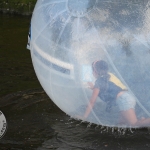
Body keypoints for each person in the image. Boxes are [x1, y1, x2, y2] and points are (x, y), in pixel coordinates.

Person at [81, 60, 150, 127]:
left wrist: (84, 117)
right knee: (121, 124)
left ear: (95, 71)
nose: (92, 73)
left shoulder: (99, 82)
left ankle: (144, 122)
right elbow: (108, 90)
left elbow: (92, 102)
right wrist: (94, 88)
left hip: (124, 100)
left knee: (134, 123)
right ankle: (143, 121)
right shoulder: (108, 76)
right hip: (126, 97)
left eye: (92, 71)